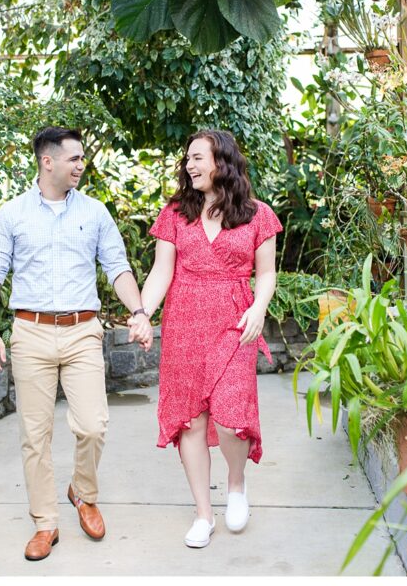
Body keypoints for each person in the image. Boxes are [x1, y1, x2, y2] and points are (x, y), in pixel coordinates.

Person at [0, 126, 153, 562]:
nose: (81, 165)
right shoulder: (13, 214)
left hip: (82, 331)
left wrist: (138, 312)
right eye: (74, 158)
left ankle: (83, 491)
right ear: (48, 161)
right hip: (30, 332)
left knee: (93, 425)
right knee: (34, 435)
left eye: (81, 158)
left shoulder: (94, 213)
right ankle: (45, 522)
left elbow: (118, 266)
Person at [133, 129, 281, 548]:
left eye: (198, 158)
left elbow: (266, 274)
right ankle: (203, 513)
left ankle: (236, 485)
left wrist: (258, 308)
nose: (190, 165)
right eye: (188, 159)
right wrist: (143, 313)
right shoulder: (176, 212)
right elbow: (162, 272)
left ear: (223, 161)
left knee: (232, 416)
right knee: (191, 420)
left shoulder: (256, 214)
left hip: (237, 321)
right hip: (184, 323)